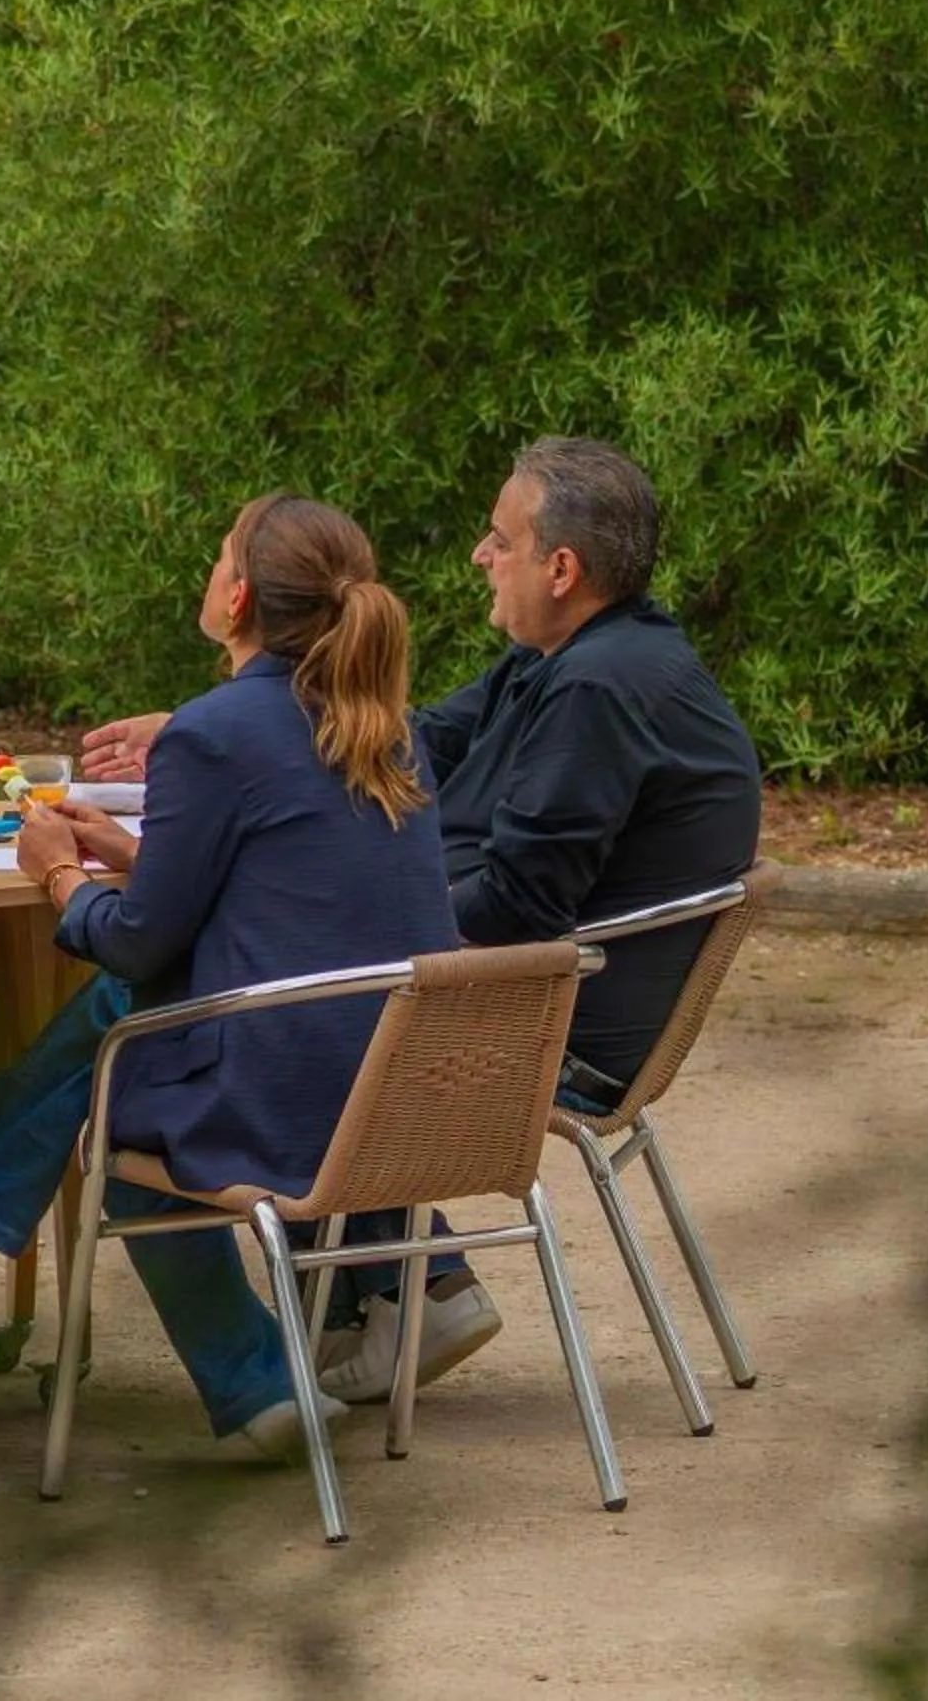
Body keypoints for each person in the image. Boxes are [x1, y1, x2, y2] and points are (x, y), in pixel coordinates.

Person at [80, 439, 761, 1400]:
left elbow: (523, 904)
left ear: (561, 569)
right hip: (536, 995)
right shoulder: (571, 661)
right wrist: (243, 724)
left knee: (225, 993)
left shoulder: (602, 691)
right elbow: (423, 731)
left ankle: (371, 1303)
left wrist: (343, 917)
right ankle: (414, 1281)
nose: (481, 555)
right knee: (270, 975)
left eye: (499, 539)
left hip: (546, 1030)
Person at [0, 496, 455, 1458]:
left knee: (128, 1127)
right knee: (124, 1026)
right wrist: (138, 857)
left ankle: (259, 1384)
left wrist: (59, 873)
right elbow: (289, 894)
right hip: (402, 1087)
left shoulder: (212, 732)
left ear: (237, 599)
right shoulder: (383, 724)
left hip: (287, 1101)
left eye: (217, 556)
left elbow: (142, 946)